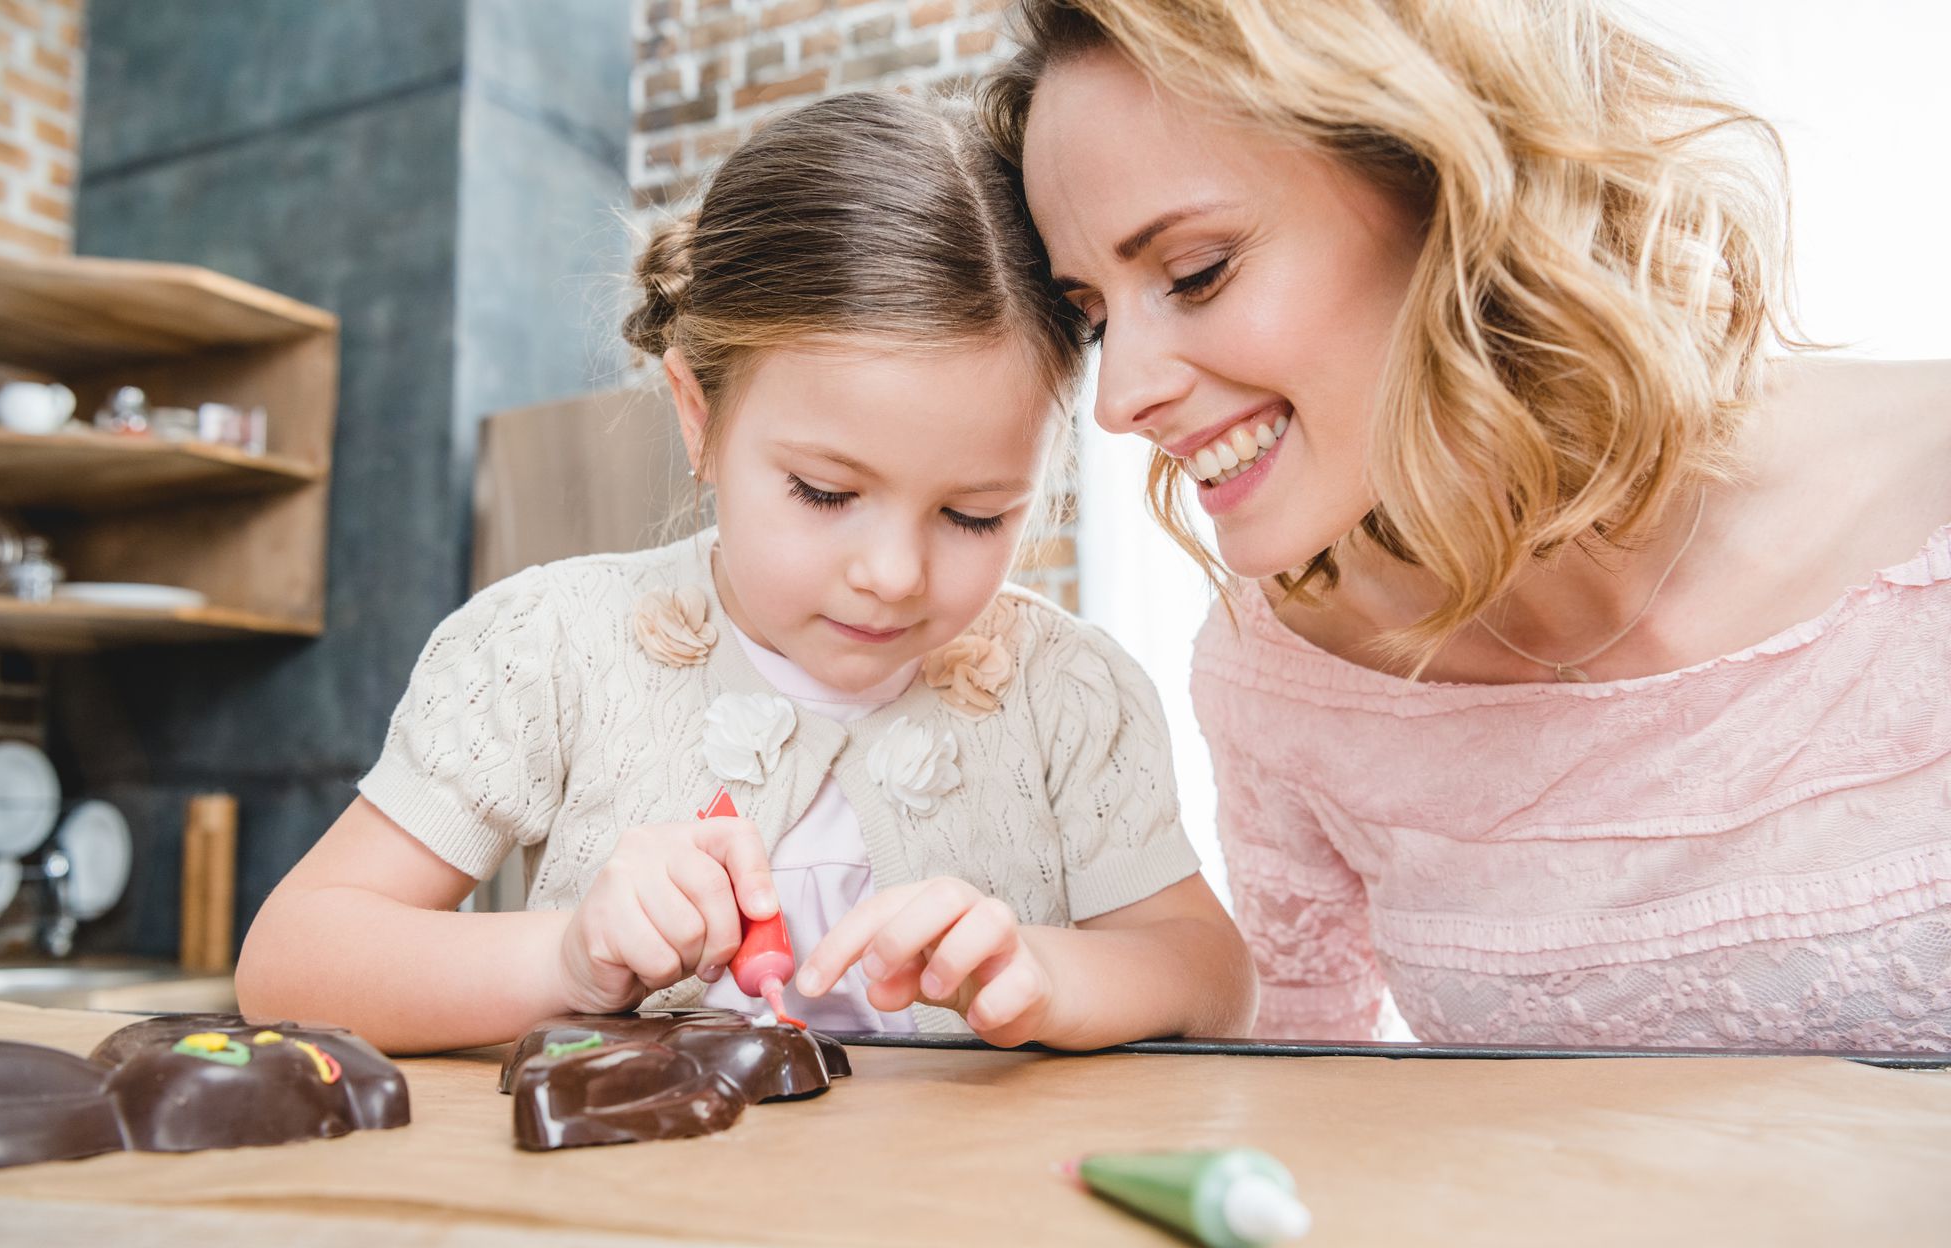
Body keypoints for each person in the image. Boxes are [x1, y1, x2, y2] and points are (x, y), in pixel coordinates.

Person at [980, 0, 1951, 1049]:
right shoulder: (1283, 669)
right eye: (1093, 315)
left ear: (1449, 183)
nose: (1117, 398)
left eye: (1194, 272)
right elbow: (1305, 1108)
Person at [236, 91, 1256, 1055]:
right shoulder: (553, 646)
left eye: (972, 514)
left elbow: (1211, 976)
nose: (894, 574)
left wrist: (1053, 972)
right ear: (699, 416)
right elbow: (294, 960)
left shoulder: (1064, 693)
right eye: (821, 491)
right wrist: (561, 958)